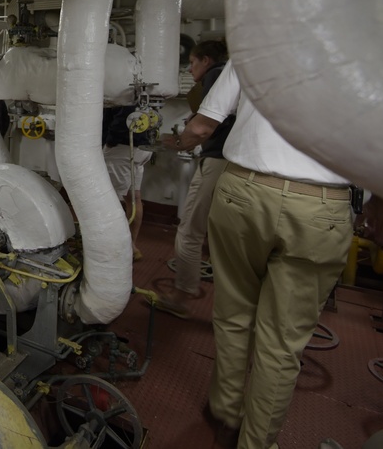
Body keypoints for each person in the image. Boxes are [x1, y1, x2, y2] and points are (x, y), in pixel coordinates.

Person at [164, 61, 354, 449]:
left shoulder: (256, 49)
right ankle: (255, 442)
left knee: (233, 312)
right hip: (319, 208)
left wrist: (177, 143)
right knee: (282, 341)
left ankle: (226, 412)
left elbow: (203, 126)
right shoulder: (371, 56)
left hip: (244, 193)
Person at [157, 39, 234, 319]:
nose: (190, 69)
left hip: (217, 162)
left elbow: (201, 131)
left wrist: (175, 141)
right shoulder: (233, 76)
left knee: (189, 230)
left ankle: (181, 295)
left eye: (192, 62)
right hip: (238, 166)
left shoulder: (217, 75)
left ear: (206, 60)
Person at [102, 105, 154, 260]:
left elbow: (123, 116)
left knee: (110, 198)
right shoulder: (146, 89)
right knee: (134, 198)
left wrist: (110, 141)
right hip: (143, 146)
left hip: (122, 147)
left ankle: (110, 248)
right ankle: (131, 246)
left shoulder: (122, 88)